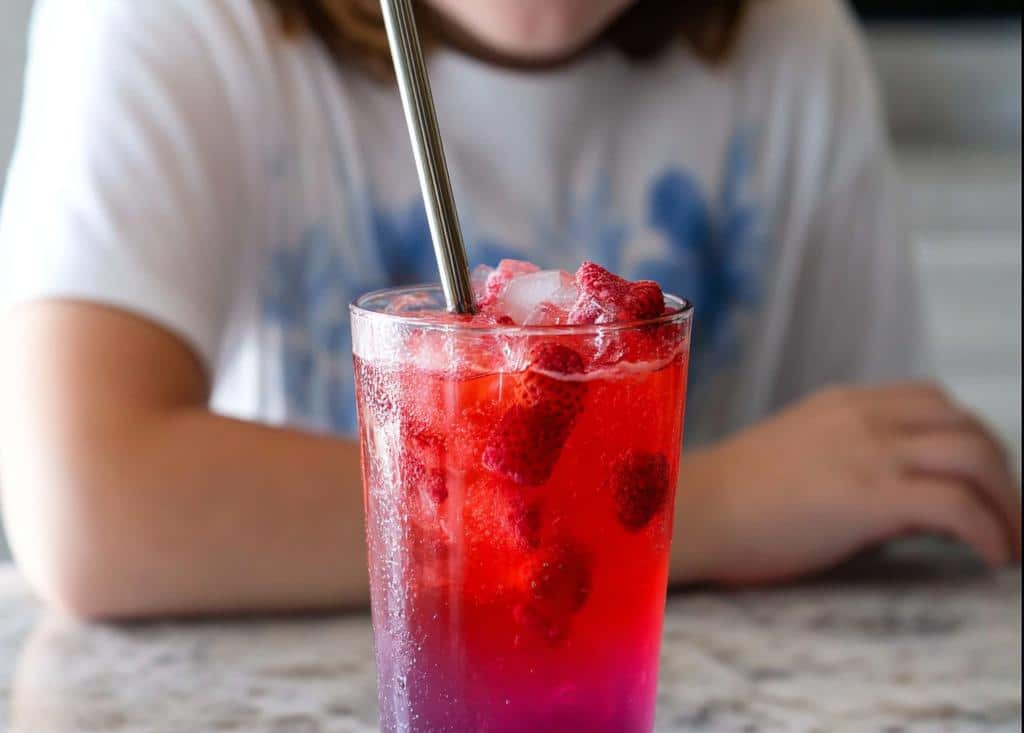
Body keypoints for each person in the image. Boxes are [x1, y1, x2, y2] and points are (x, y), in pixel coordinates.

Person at [0, 0, 1018, 620]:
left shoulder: (789, 44)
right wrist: (709, 508)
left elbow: (877, 485)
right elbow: (85, 504)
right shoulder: (175, 21)